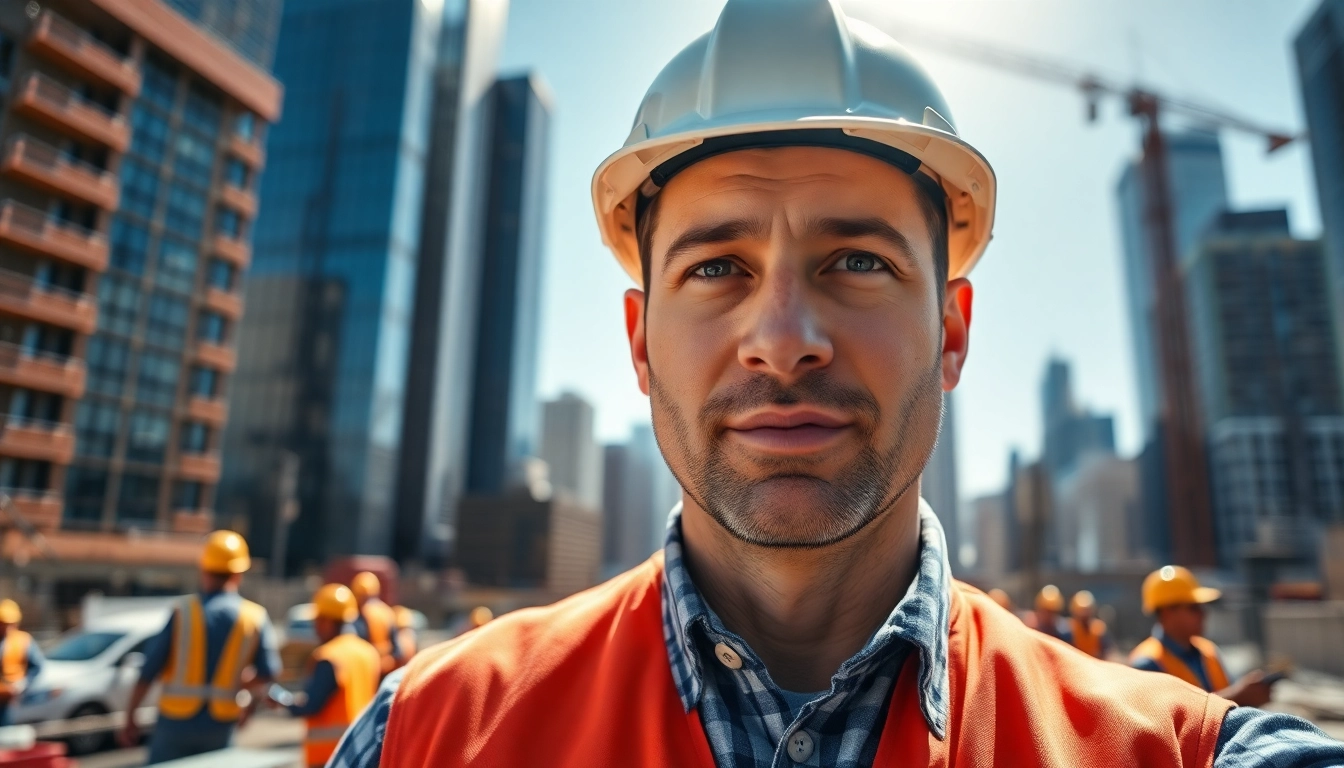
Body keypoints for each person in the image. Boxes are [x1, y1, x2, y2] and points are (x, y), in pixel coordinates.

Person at [331, 1, 1344, 765]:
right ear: (640, 342)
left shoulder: (1185, 752)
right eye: (716, 267)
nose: (783, 340)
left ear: (951, 329)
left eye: (857, 261)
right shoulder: (425, 731)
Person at [120, 531, 281, 763]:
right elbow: (268, 674)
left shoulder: (182, 611)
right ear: (238, 573)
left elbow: (149, 670)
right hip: (220, 725)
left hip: (174, 724)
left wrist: (130, 717)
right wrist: (249, 707)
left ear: (204, 569)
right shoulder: (254, 617)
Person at [1130, 566, 1275, 707]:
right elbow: (1168, 720)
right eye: (1193, 608)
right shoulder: (1146, 664)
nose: (1203, 614)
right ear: (1167, 613)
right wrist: (1237, 696)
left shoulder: (1208, 650)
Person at [270, 585, 380, 768]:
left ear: (328, 621)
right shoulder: (368, 652)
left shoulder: (329, 657)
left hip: (329, 754)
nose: (315, 627)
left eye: (318, 620)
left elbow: (310, 706)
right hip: (360, 750)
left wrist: (279, 698)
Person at [0, 599, 43, 726]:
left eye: (10, 623)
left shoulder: (24, 641)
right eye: (3, 623)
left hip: (11, 699)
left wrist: (23, 684)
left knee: (6, 733)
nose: (7, 627)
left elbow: (37, 666)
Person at [350, 572, 399, 675]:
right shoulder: (387, 613)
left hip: (366, 670)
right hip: (384, 669)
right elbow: (397, 651)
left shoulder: (355, 616)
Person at [1068, 590, 1114, 660]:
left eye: (1087, 610)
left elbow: (1105, 652)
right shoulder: (1069, 629)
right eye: (1081, 611)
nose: (1084, 614)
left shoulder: (1099, 629)